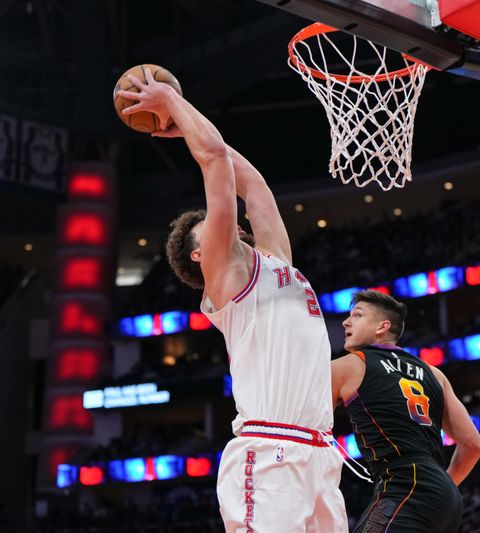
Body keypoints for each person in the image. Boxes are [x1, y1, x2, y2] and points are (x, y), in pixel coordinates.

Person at [118, 68, 347, 532]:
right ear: (201, 255)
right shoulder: (224, 277)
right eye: (213, 227)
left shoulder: (277, 259)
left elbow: (255, 185)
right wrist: (172, 101)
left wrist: (180, 124)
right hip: (267, 454)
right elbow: (215, 159)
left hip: (320, 453)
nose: (229, 224)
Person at [331, 289, 480, 533]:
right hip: (446, 499)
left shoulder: (351, 365)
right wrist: (440, 484)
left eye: (357, 316)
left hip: (403, 484)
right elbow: (473, 445)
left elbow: (305, 422)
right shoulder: (435, 374)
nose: (346, 322)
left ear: (382, 327)